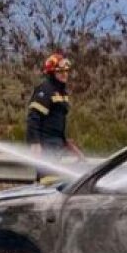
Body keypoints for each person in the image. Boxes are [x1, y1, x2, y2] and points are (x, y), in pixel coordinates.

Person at [25, 53, 84, 183]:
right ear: (52, 73)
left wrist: (67, 143)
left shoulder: (61, 92)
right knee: (48, 182)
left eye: (66, 71)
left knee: (58, 183)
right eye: (60, 71)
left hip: (57, 146)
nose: (64, 74)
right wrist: (35, 143)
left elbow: (56, 123)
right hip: (47, 146)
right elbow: (33, 118)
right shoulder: (45, 90)